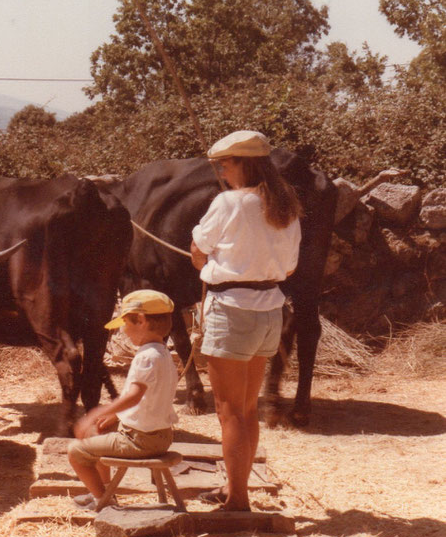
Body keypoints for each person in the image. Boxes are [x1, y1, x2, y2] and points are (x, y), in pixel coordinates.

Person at [191, 130, 302, 512]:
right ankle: (236, 488)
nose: (221, 170)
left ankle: (237, 500)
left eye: (226, 163)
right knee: (248, 408)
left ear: (245, 163)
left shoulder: (228, 202)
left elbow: (198, 251)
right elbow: (289, 265)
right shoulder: (286, 205)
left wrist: (210, 262)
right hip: (270, 309)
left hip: (232, 309)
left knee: (229, 411)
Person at [68, 289, 178, 510]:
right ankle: (106, 491)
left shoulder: (146, 357)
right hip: (161, 436)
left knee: (75, 451)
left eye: (126, 323)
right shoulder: (163, 354)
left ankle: (102, 499)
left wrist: (98, 412)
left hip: (140, 440)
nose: (124, 331)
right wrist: (115, 415)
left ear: (141, 320)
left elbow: (134, 396)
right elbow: (147, 398)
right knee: (98, 435)